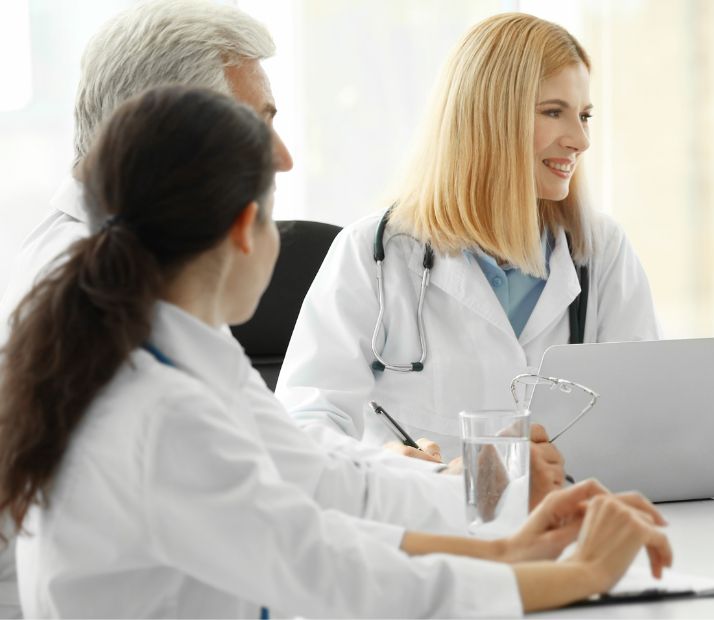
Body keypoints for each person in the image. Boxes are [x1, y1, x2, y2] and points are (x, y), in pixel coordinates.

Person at [1, 84, 671, 617]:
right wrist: (580, 574)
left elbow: (322, 485)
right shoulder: (160, 412)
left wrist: (503, 540)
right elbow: (328, 571)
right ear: (243, 230)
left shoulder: (180, 358)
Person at [276, 13, 660, 475]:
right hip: (417, 525)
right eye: (554, 112)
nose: (580, 139)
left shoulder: (599, 251)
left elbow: (645, 413)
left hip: (563, 523)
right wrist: (392, 466)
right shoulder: (374, 252)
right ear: (489, 117)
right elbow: (303, 429)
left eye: (584, 116)